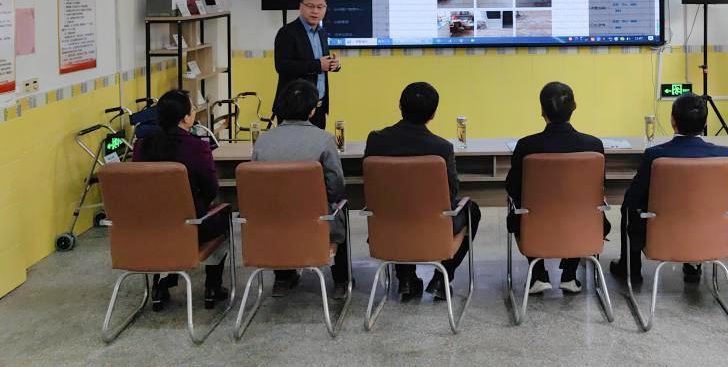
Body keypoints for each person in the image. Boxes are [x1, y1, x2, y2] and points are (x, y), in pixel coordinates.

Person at [363, 82, 482, 301]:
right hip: (431, 227)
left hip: (388, 227)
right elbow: (450, 193)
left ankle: (406, 278)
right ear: (433, 114)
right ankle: (441, 279)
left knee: (398, 207)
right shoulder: (441, 148)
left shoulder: (376, 140)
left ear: (400, 106)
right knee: (471, 210)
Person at [609, 94, 728, 286]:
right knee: (700, 207)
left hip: (663, 237)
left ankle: (631, 269)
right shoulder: (724, 155)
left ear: (673, 121)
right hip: (708, 236)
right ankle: (694, 264)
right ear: (705, 122)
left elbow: (633, 199)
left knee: (628, 207)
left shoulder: (655, 155)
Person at [505, 82, 608, 294]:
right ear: (574, 106)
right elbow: (598, 188)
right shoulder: (593, 146)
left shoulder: (526, 146)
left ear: (542, 111)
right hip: (583, 226)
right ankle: (569, 275)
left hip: (535, 227)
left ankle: (538, 275)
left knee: (526, 210)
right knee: (578, 208)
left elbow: (512, 188)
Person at [251, 79, 350, 298]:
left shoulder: (262, 142)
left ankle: (283, 278)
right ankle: (341, 280)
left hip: (272, 225)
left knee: (280, 206)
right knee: (340, 206)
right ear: (313, 109)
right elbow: (336, 186)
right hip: (315, 224)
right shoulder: (324, 140)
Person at [132, 89, 230, 311]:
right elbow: (211, 189)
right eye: (192, 108)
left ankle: (160, 286)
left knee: (163, 220)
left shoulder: (141, 146)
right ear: (186, 118)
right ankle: (212, 287)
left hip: (148, 227)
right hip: (191, 226)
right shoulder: (197, 147)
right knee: (223, 216)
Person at [273, 0, 340, 130]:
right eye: (310, 6)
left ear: (325, 9)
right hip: (294, 107)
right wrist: (318, 65)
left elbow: (321, 62)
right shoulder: (287, 32)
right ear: (300, 6)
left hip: (318, 106)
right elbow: (282, 66)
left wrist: (333, 65)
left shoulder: (322, 33)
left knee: (317, 144)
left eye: (320, 7)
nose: (315, 11)